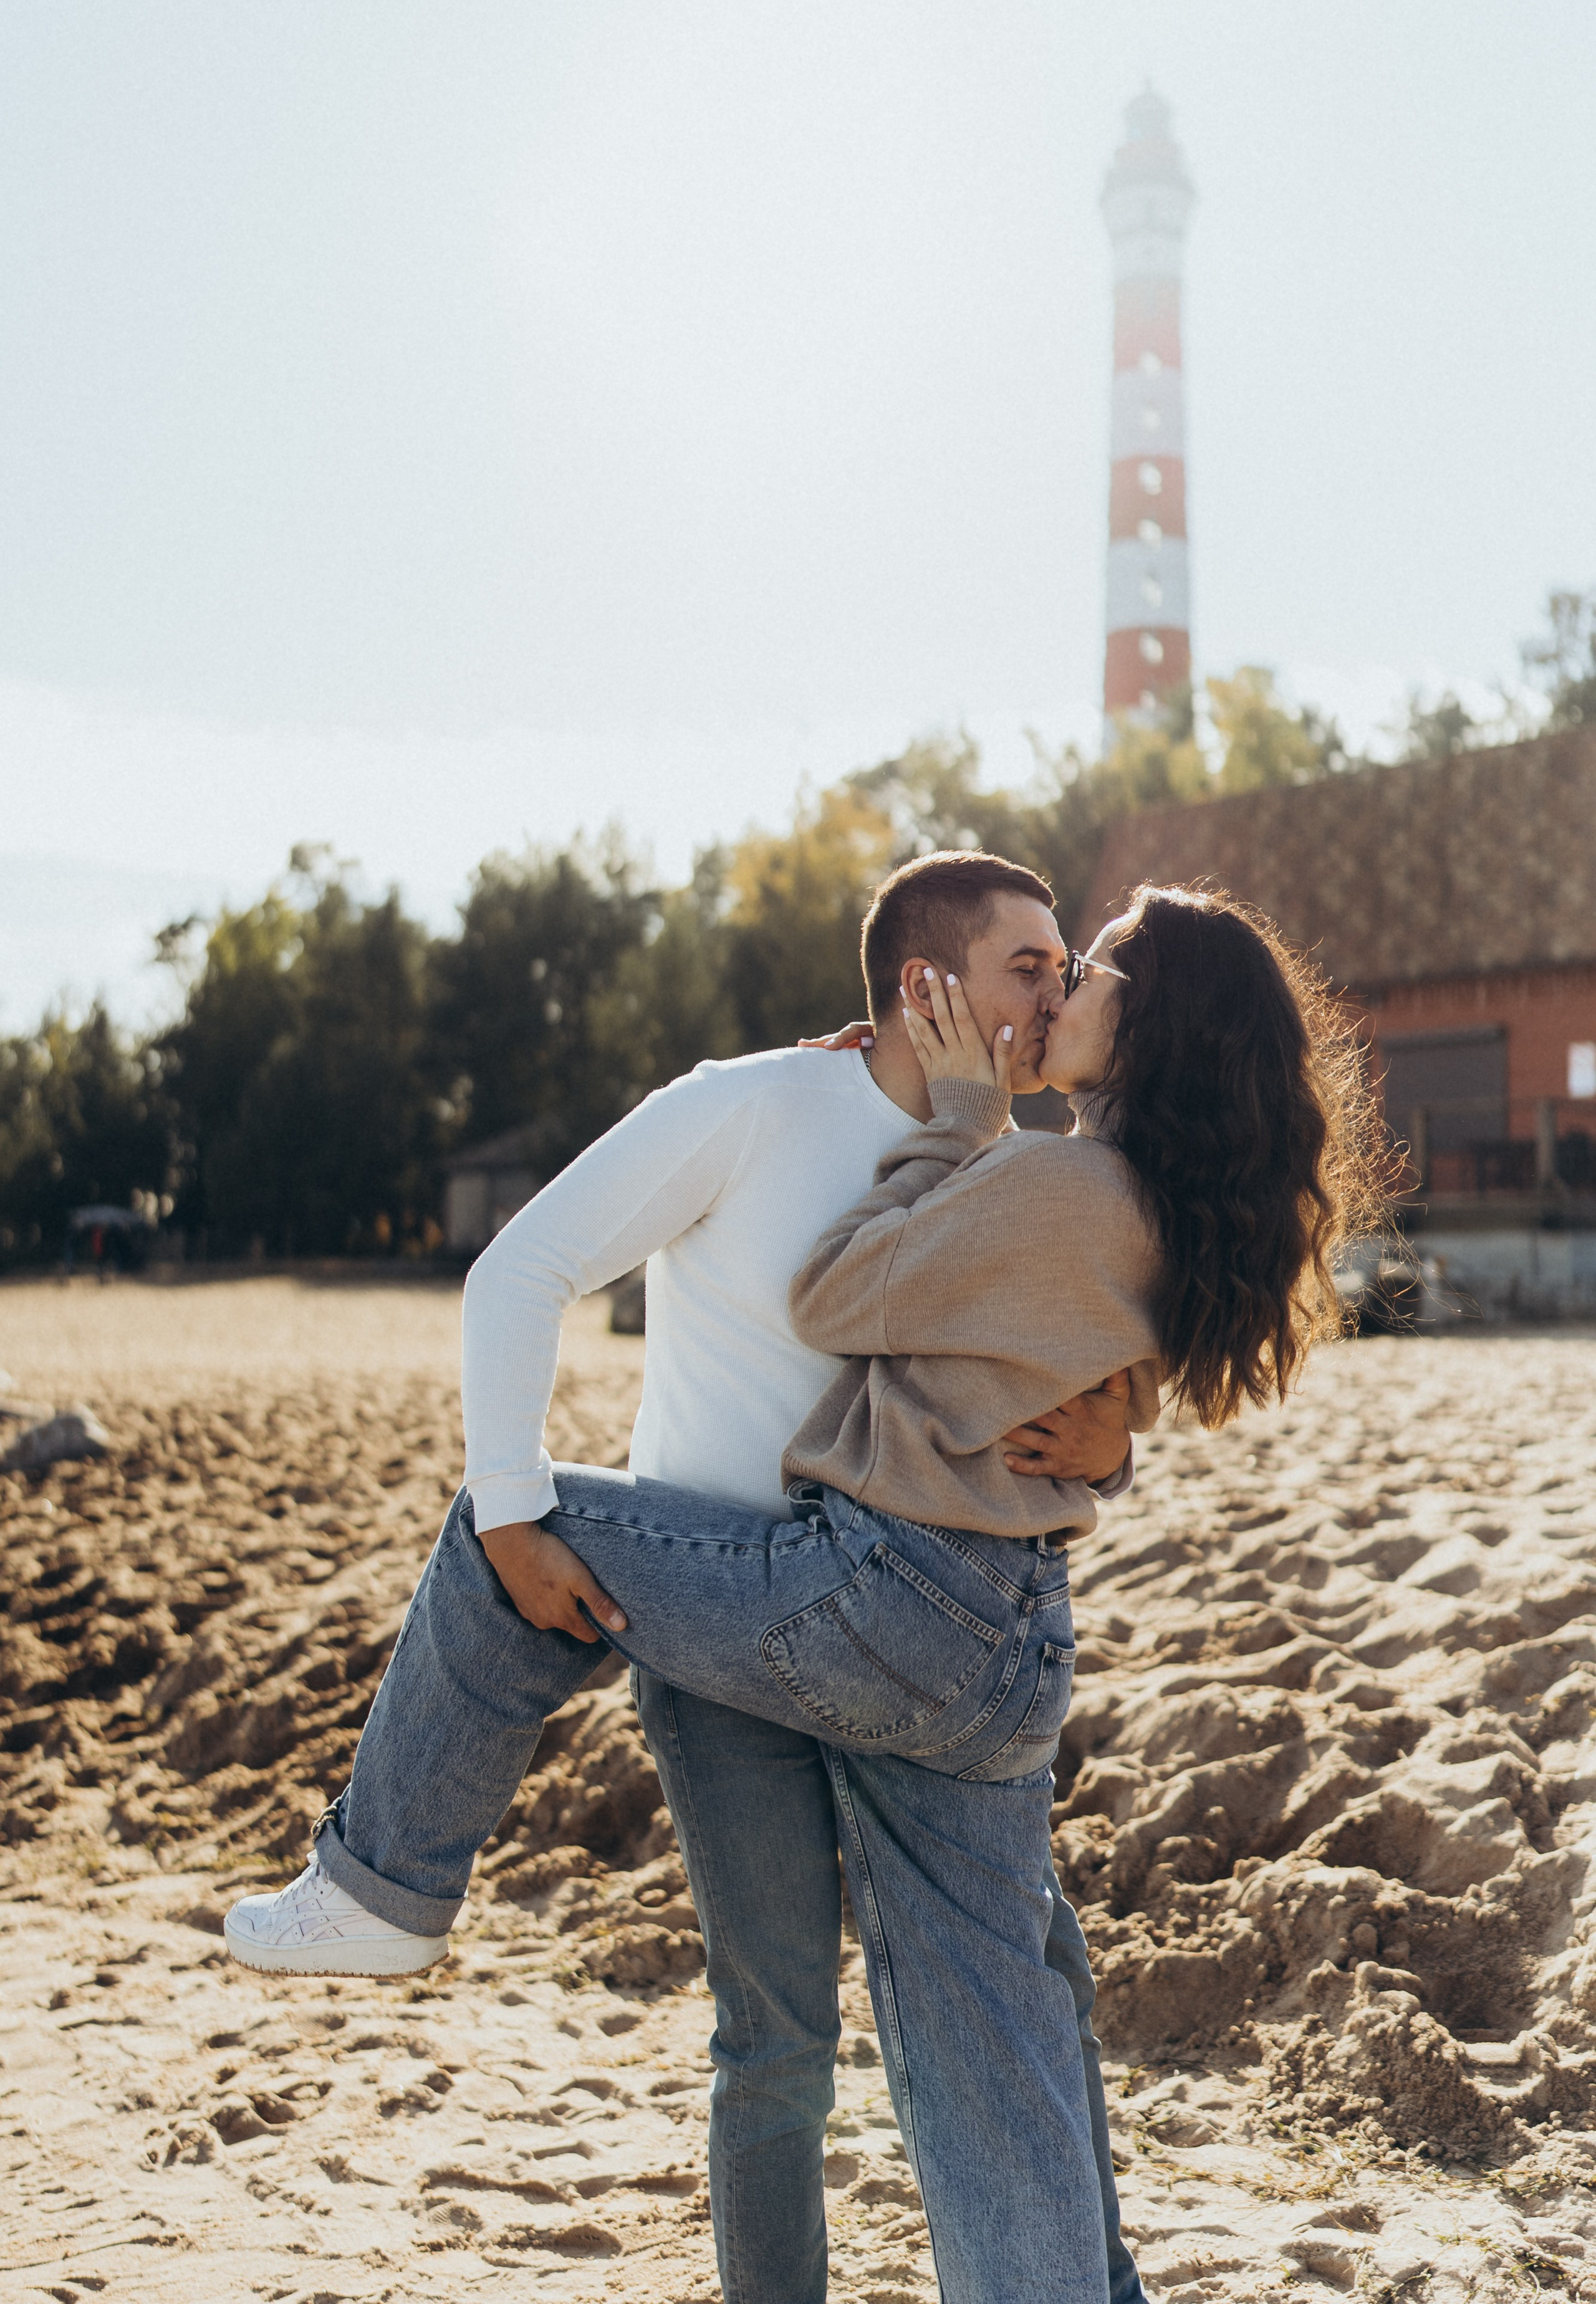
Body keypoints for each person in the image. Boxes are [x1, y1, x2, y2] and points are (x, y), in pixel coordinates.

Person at [228, 869, 1381, 2303]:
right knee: (954, 2027)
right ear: (926, 990)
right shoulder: (845, 1122)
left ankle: (381, 1886)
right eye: (1031, 965)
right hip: (919, 1627)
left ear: (1146, 1029)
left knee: (496, 1532)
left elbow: (855, 1301)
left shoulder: (1037, 1165)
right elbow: (1040, 1377)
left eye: (1071, 972)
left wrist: (965, 1137)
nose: (1051, 992)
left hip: (872, 1601)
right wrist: (1114, 1434)